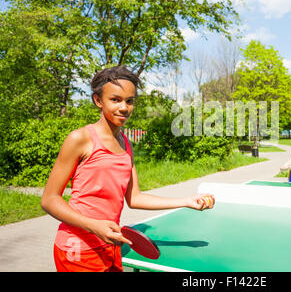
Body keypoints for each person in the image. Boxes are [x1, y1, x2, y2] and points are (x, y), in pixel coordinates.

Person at [41, 65, 214, 272]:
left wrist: (186, 201)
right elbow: (49, 200)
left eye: (129, 101)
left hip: (111, 244)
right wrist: (94, 225)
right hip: (78, 249)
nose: (124, 107)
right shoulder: (80, 138)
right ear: (98, 100)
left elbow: (135, 198)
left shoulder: (126, 144)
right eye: (115, 99)